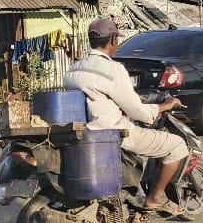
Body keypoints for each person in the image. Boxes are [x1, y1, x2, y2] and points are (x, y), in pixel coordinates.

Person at [64, 19, 190, 215]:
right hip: (114, 134)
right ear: (113, 40)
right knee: (178, 145)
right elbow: (137, 111)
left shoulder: (73, 69)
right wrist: (164, 106)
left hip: (85, 133)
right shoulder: (113, 69)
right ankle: (156, 197)